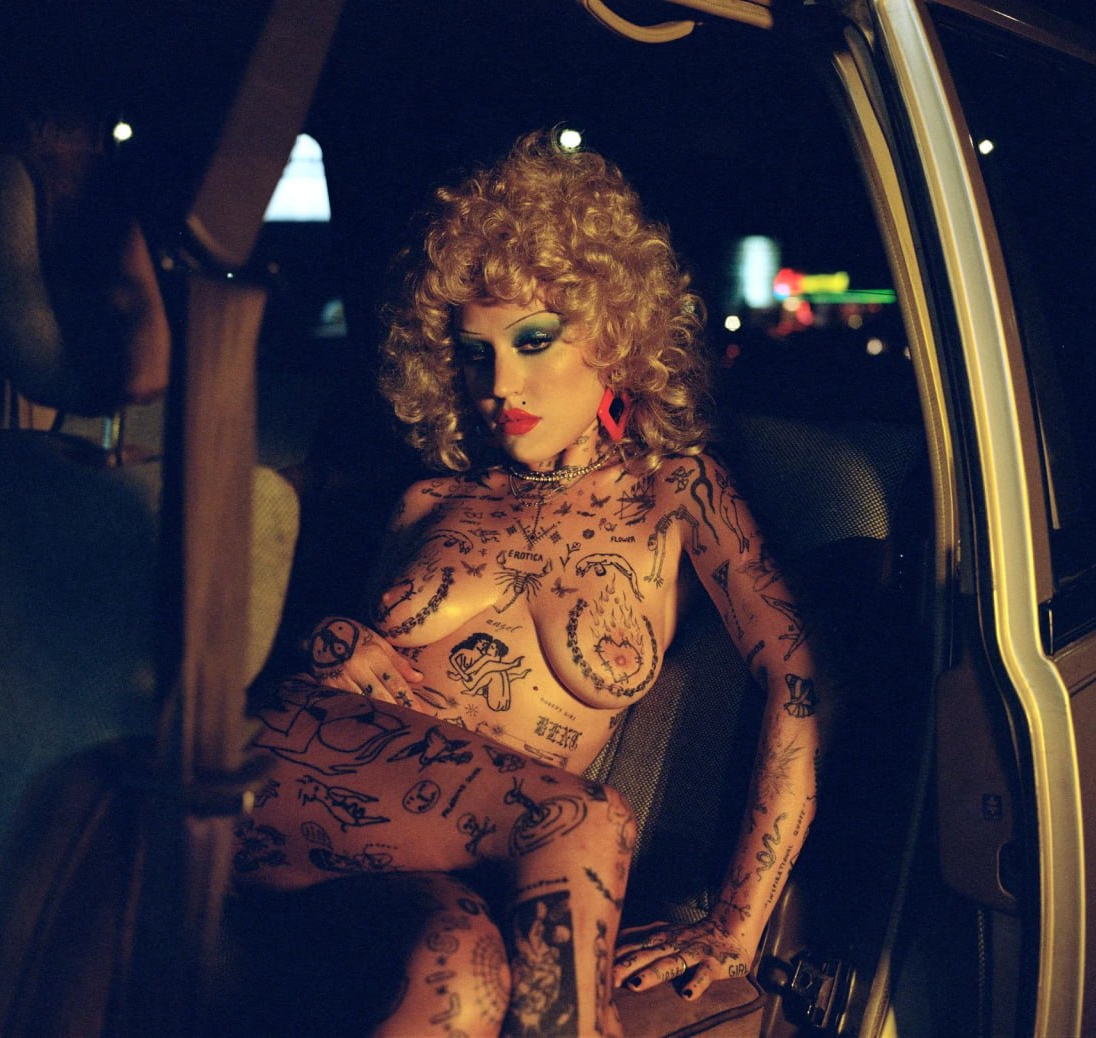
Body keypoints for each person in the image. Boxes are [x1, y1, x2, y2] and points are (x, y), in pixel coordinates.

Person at [235, 130, 820, 1037]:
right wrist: (335, 638)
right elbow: (342, 652)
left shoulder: (680, 492)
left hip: (448, 865)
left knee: (461, 974)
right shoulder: (434, 498)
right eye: (474, 353)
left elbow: (799, 682)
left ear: (616, 335)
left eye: (534, 340)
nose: (499, 383)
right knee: (583, 822)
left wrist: (733, 929)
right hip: (298, 779)